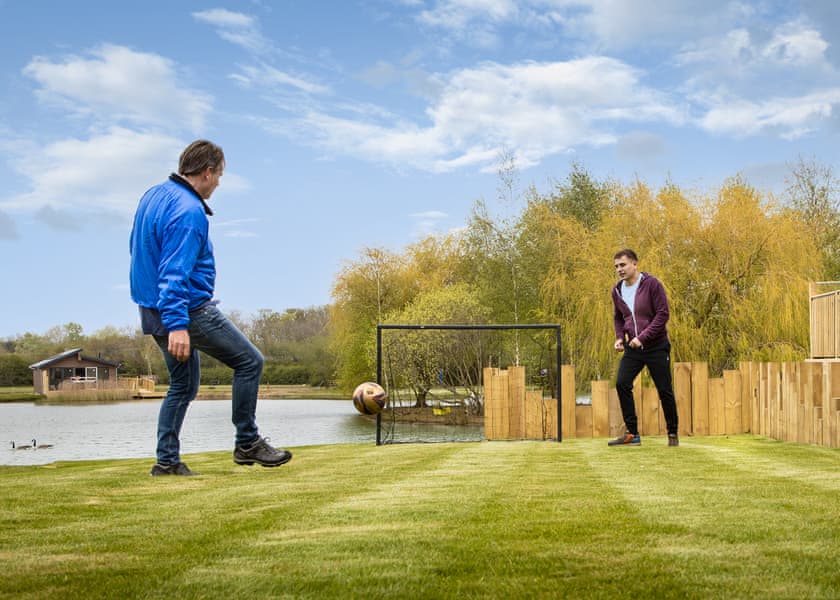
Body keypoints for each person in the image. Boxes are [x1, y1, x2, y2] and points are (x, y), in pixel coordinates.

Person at [130, 140, 293, 475]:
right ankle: (247, 441)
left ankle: (167, 462)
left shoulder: (154, 195)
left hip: (152, 308)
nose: (219, 182)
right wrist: (177, 324)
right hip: (186, 310)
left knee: (182, 386)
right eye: (219, 175)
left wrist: (163, 315)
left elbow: (138, 250)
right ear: (207, 172)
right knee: (250, 361)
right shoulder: (189, 212)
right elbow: (174, 272)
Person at [609, 249, 679, 447]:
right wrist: (620, 337)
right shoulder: (617, 290)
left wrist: (643, 337)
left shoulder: (652, 285)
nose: (619, 270)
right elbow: (618, 317)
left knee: (664, 390)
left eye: (622, 265)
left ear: (634, 264)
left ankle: (672, 433)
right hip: (633, 348)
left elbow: (662, 315)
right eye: (616, 267)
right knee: (622, 383)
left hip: (656, 346)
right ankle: (633, 434)